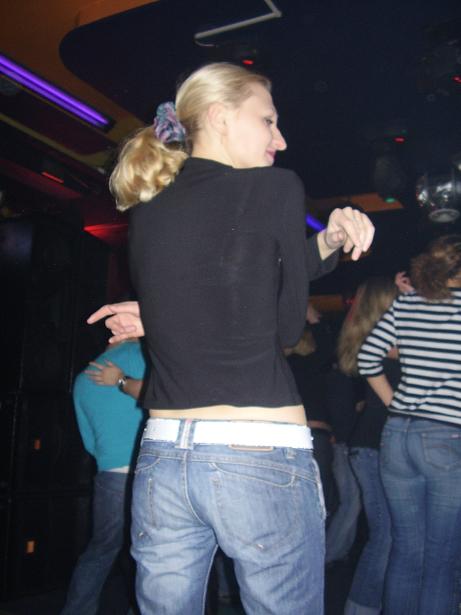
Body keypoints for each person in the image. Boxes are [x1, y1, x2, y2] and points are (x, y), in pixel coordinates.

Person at [88, 62, 374, 615]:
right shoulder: (275, 186)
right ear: (220, 117)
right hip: (255, 448)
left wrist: (327, 241)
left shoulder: (148, 208)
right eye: (268, 121)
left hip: (164, 453)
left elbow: (227, 283)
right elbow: (284, 326)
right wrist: (325, 239)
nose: (280, 139)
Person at [358, 236, 461, 615]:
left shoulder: (408, 303)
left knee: (406, 550)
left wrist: (396, 406)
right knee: (441, 559)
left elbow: (367, 358)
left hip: (398, 435)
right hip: (447, 436)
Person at [61, 339, 146, 615]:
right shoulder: (142, 355)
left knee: (101, 550)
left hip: (110, 474)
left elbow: (89, 442)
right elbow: (163, 393)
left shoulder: (81, 380)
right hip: (147, 470)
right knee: (150, 550)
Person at [338, 277, 398, 615]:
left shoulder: (374, 342)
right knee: (386, 536)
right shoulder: (385, 345)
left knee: (390, 535)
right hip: (374, 446)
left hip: (374, 445)